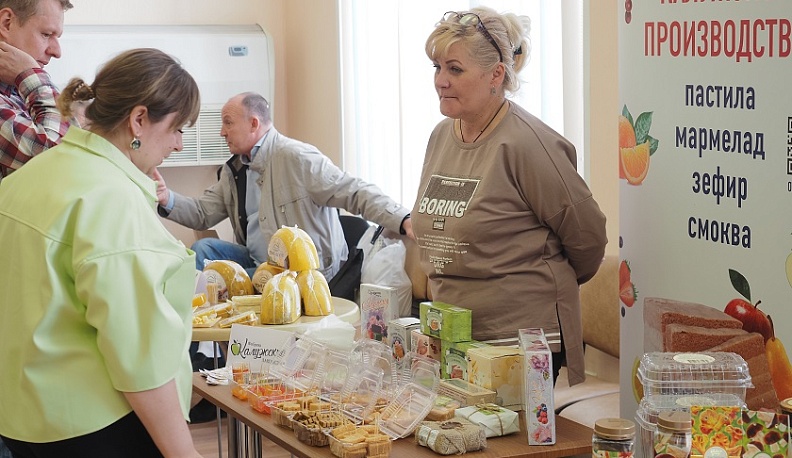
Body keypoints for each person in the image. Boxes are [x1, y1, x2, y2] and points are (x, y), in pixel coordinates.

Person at [0, 48, 203, 457]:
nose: (180, 145)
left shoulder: (28, 178)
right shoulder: (112, 200)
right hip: (96, 425)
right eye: (179, 128)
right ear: (139, 119)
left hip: (22, 420)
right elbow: (140, 361)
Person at [414, 7, 608, 387]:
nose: (441, 81)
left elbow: (588, 237)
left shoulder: (527, 143)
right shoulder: (441, 136)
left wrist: (546, 279)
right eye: (437, 68)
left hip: (519, 345)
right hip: (454, 336)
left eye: (455, 69)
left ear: (496, 75)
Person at [153, 91, 413, 282]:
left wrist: (403, 219)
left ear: (254, 123)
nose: (222, 132)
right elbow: (202, 213)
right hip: (258, 264)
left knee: (238, 282)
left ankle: (209, 348)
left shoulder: (296, 157)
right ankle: (204, 344)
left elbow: (355, 191)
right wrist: (166, 198)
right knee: (203, 250)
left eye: (228, 123)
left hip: (297, 274)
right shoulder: (234, 170)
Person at [0, 0, 74, 181]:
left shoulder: (20, 89)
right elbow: (65, 160)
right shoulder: (32, 83)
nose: (57, 51)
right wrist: (31, 76)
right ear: (6, 23)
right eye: (46, 34)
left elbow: (77, 142)